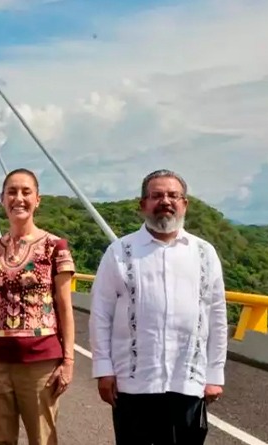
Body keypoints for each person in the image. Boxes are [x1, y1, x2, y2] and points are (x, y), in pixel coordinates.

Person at [88, 169, 228, 444]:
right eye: (156, 196)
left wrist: (215, 374)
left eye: (173, 195)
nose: (165, 201)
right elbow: (101, 313)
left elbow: (217, 317)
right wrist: (104, 369)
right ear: (143, 205)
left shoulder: (204, 253)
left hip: (187, 380)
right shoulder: (120, 251)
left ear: (185, 204)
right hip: (133, 383)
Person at [0, 168, 76, 445]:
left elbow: (65, 308)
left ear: (38, 200)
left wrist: (68, 360)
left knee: (42, 438)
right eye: (12, 192)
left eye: (26, 192)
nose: (19, 198)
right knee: (1, 439)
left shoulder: (56, 247)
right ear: (2, 200)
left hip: (40, 361)